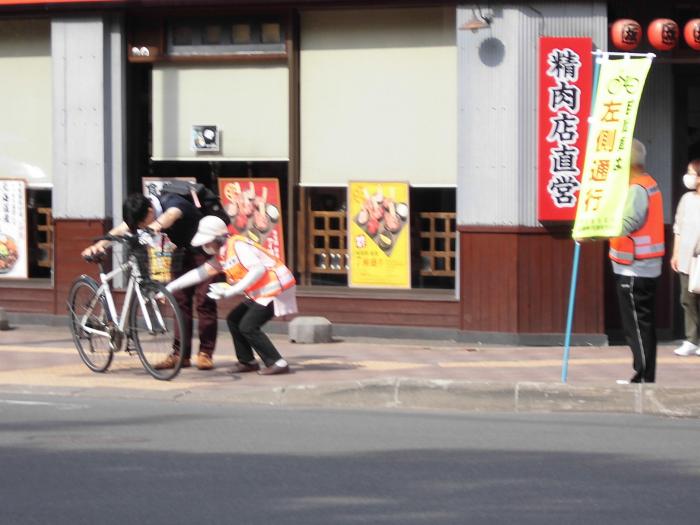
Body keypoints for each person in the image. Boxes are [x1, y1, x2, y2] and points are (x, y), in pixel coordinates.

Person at [81, 192, 218, 371]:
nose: (140, 227)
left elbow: (172, 215)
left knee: (204, 300)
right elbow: (123, 228)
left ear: (150, 211)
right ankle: (179, 354)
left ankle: (205, 353)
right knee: (180, 301)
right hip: (180, 252)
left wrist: (153, 228)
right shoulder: (143, 210)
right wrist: (101, 244)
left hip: (204, 251)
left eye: (141, 223)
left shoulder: (173, 202)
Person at [164, 215, 296, 376]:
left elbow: (258, 269)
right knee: (234, 319)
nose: (205, 246)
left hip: (276, 288)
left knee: (248, 326)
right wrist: (171, 287)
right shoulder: (223, 253)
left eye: (207, 242)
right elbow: (200, 274)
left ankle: (277, 362)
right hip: (261, 292)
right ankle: (247, 361)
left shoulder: (237, 246)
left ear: (217, 238)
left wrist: (232, 290)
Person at [608, 139, 665, 383]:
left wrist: (597, 228)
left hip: (635, 267)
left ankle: (642, 375)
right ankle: (643, 373)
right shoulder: (648, 183)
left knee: (637, 326)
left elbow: (628, 223)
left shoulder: (636, 189)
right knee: (642, 324)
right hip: (644, 266)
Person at [670, 159, 700, 356]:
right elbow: (678, 228)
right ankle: (691, 339)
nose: (687, 177)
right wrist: (675, 253)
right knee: (687, 299)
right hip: (686, 257)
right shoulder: (686, 199)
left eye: (691, 173)